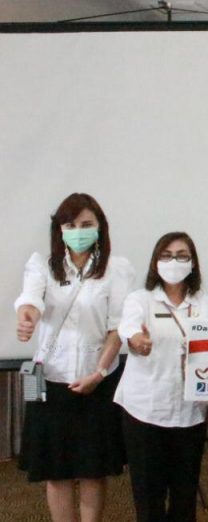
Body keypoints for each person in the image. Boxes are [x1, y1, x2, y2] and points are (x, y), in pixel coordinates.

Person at [14, 192, 135, 522]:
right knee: (57, 472)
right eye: (70, 225)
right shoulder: (42, 265)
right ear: (59, 230)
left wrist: (99, 372)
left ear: (100, 227)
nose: (78, 231)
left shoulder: (116, 269)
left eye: (86, 224)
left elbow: (117, 327)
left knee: (93, 471)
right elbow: (30, 300)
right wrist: (26, 318)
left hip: (97, 380)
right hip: (52, 380)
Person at [114, 231, 208, 522]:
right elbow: (128, 327)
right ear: (155, 262)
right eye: (166, 256)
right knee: (149, 497)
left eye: (182, 256)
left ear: (192, 263)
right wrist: (136, 340)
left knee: (184, 497)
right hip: (145, 411)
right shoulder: (140, 299)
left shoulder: (205, 303)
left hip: (190, 412)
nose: (174, 262)